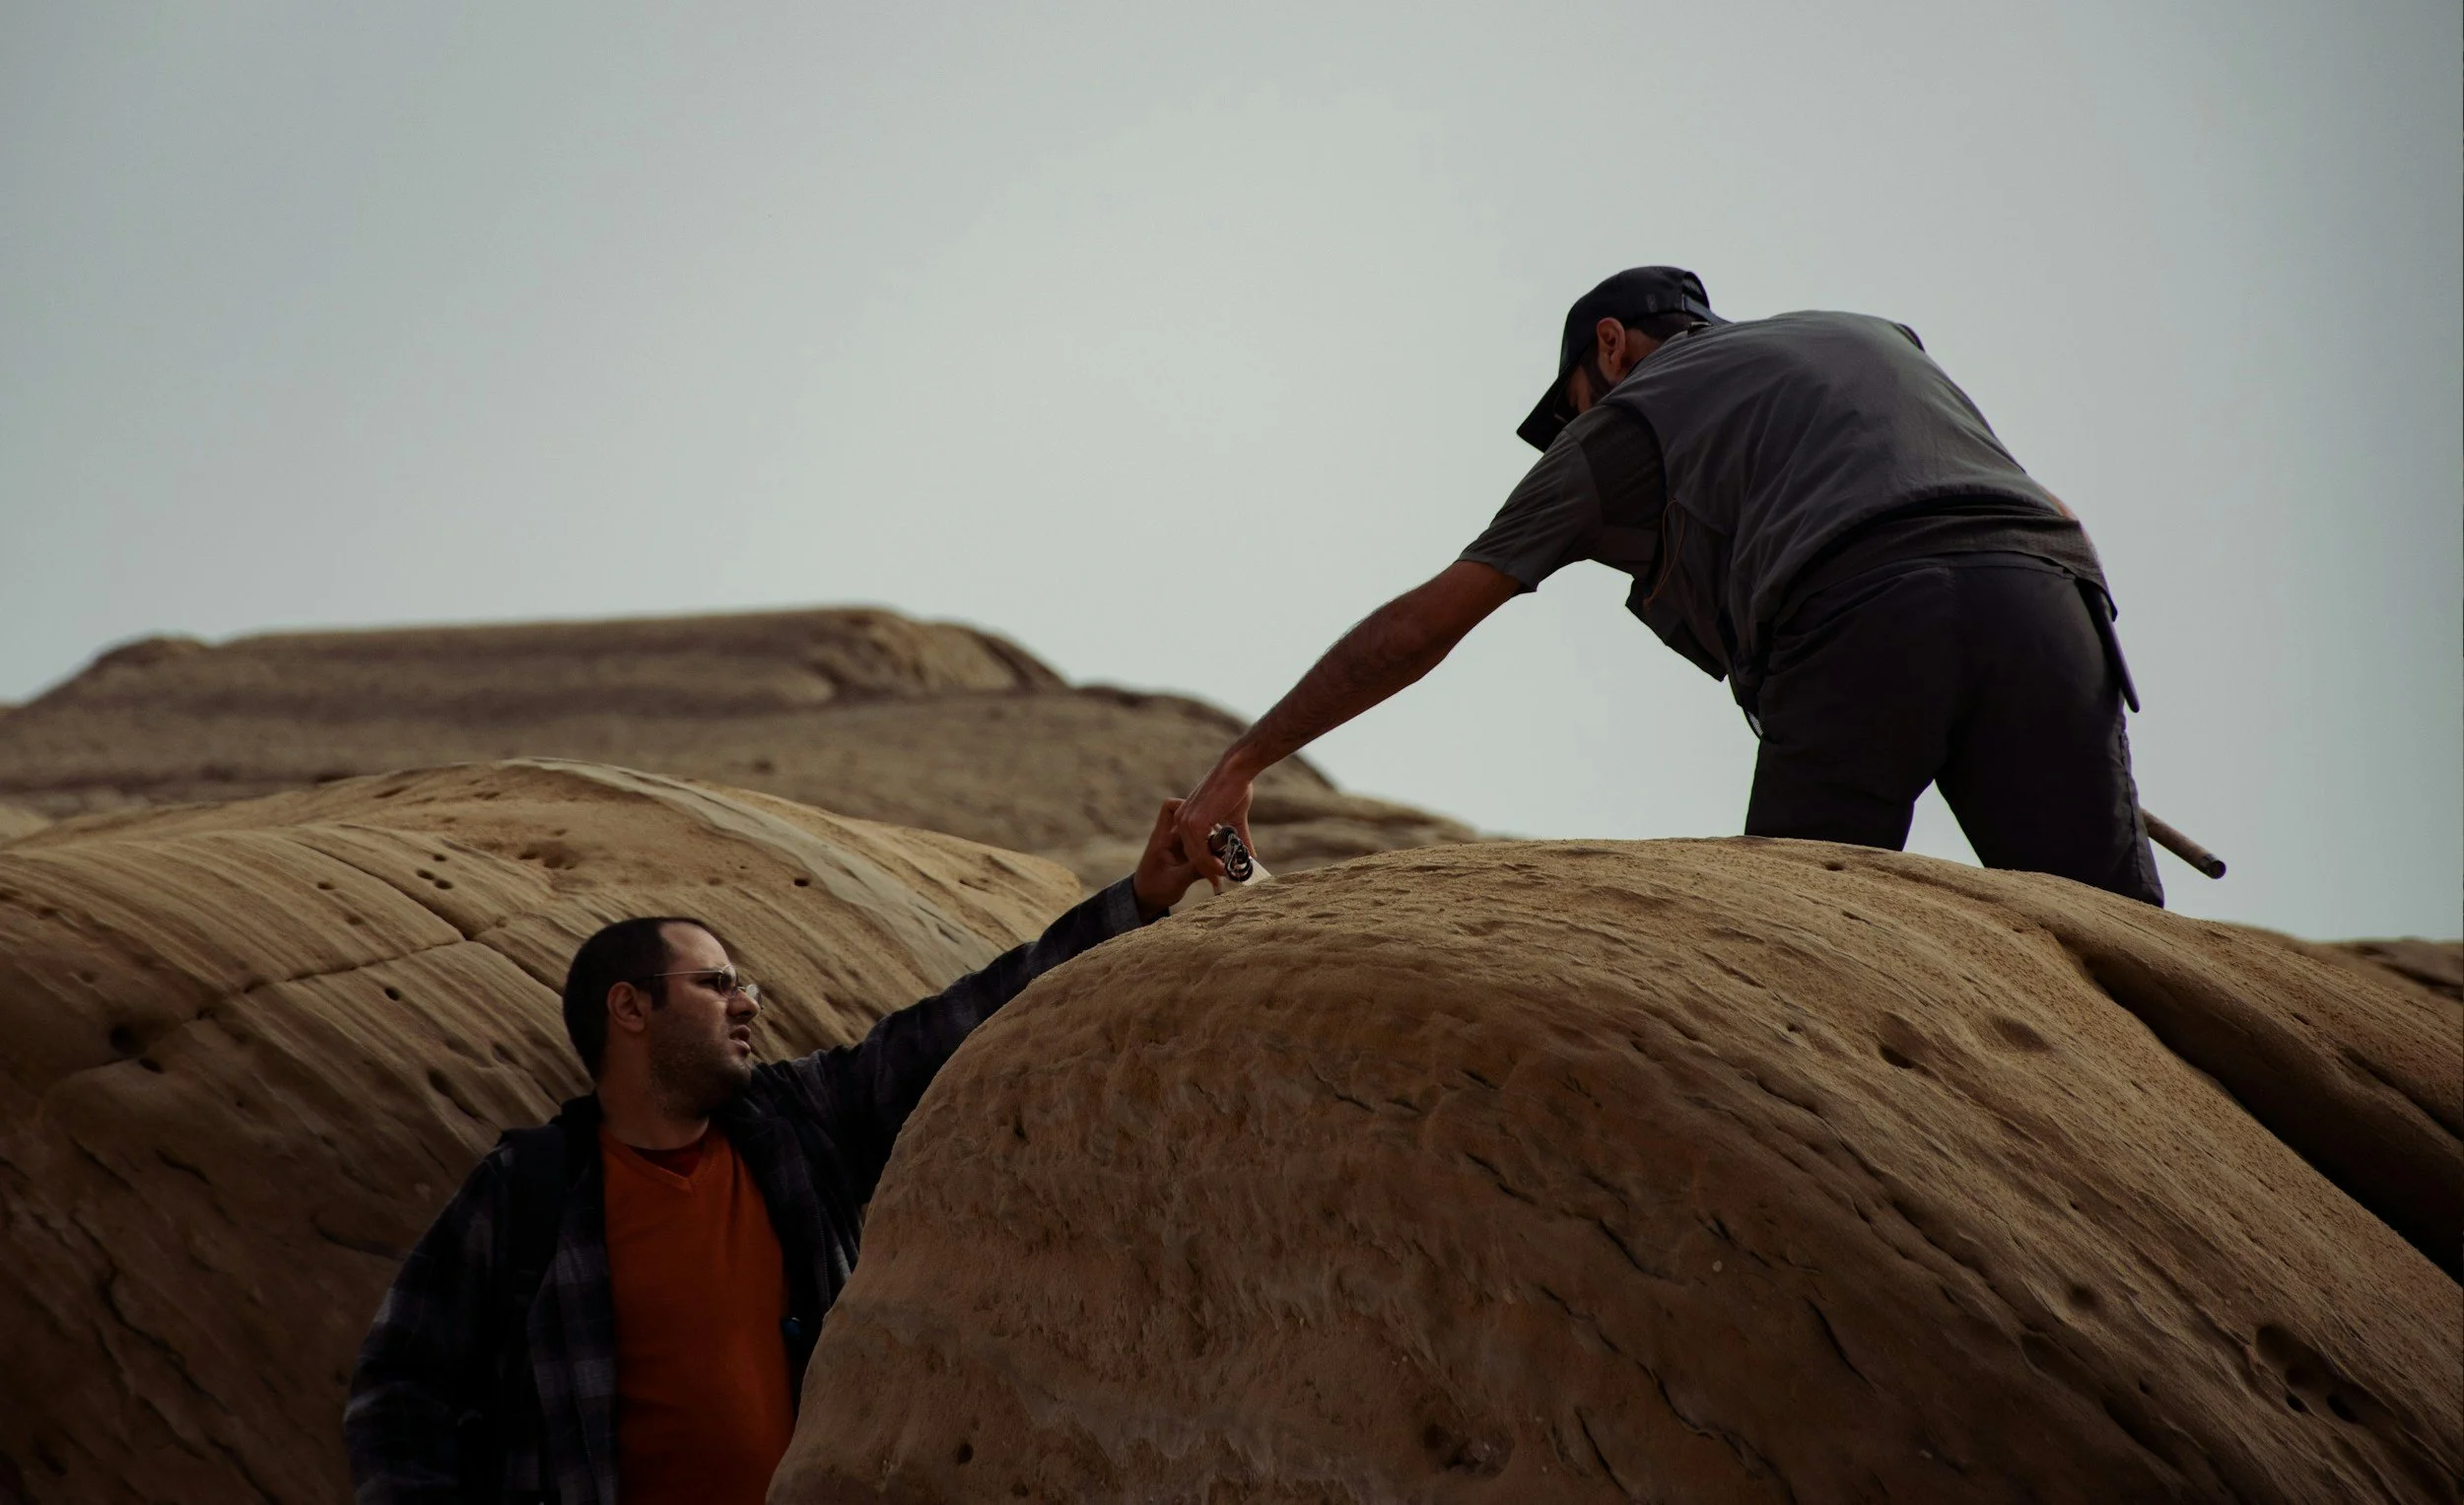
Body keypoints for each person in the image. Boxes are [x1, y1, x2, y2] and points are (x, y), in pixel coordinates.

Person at [1175, 265, 2162, 905]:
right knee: (2123, 945)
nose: (1574, 427)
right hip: (2046, 595)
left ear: (1609, 346)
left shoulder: (1623, 423)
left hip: (1858, 614)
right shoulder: (1867, 335)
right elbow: (2034, 494)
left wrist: (1247, 760)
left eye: (1570, 406)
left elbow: (1421, 626)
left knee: (1803, 949)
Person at [343, 802, 1206, 1505]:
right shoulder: (528, 1191)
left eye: (745, 983)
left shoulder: (799, 1127)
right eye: (718, 983)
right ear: (630, 1008)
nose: (748, 1002)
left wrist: (1136, 898)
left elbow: (964, 1021)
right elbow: (399, 1385)